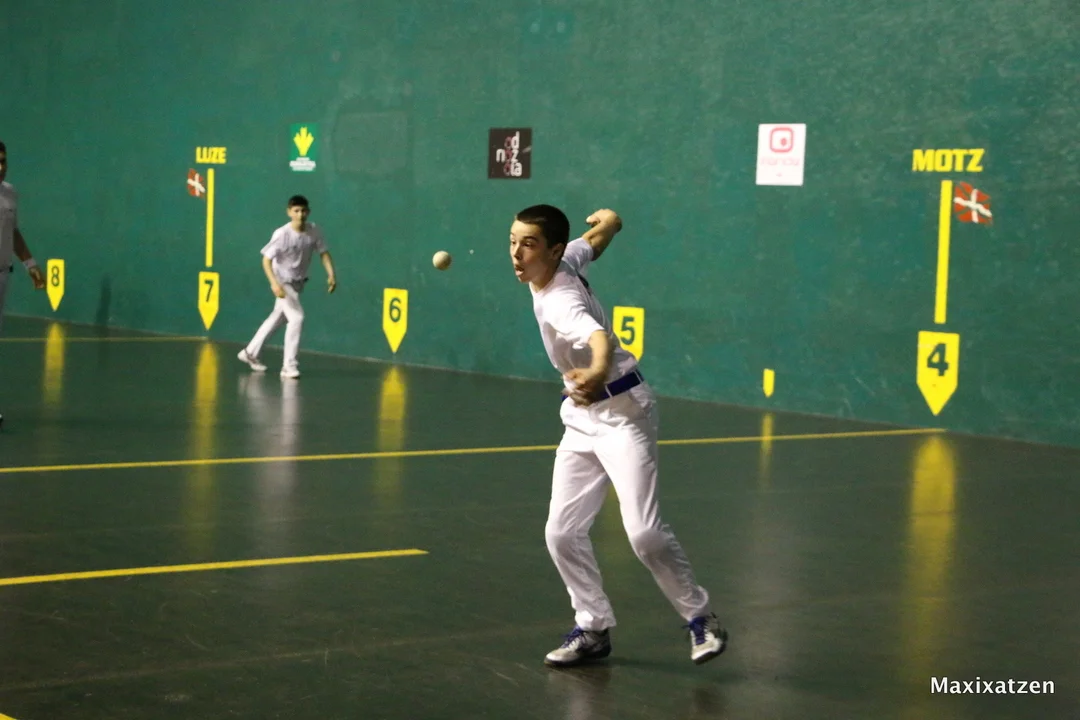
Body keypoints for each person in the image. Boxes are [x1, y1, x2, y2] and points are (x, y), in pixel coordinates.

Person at [509, 204, 728, 667]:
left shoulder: (560, 299)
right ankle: (592, 627)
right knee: (561, 532)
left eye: (528, 244)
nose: (516, 253)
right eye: (513, 242)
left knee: (644, 533)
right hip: (581, 416)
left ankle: (701, 618)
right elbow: (593, 241)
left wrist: (595, 370)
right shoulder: (564, 259)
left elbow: (598, 339)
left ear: (550, 250)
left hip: (624, 412)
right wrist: (610, 222)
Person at [237, 194, 336, 379]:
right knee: (297, 318)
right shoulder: (282, 234)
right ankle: (289, 366)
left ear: (308, 212)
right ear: (289, 212)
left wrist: (331, 274)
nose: (300, 215)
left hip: (298, 283)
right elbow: (266, 260)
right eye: (296, 211)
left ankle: (250, 352)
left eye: (303, 211)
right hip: (282, 281)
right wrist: (274, 284)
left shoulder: (314, 231)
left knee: (278, 317)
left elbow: (324, 253)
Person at [0, 140, 47, 430]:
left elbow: (13, 232)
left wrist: (31, 264)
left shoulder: (10, 193)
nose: (0, 167)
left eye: (3, 161)